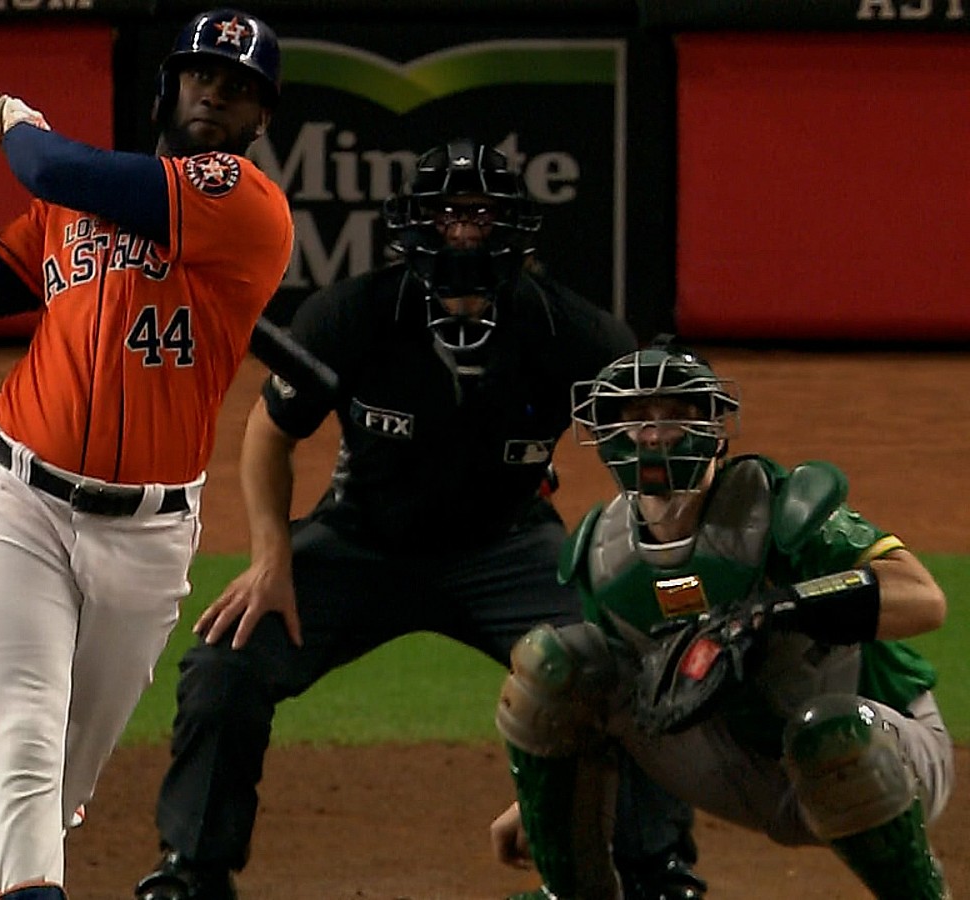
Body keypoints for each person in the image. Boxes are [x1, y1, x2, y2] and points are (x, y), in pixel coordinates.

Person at [134, 139, 706, 900]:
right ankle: (193, 872)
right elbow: (270, 432)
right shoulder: (350, 314)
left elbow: (644, 456)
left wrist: (652, 568)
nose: (464, 231)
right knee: (227, 659)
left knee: (639, 660)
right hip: (361, 541)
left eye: (481, 215)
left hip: (509, 546)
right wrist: (271, 563)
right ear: (414, 225)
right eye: (447, 214)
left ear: (516, 227)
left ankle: (656, 870)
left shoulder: (576, 333)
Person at [0, 9, 294, 900]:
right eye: (202, 76)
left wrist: (16, 123)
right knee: (24, 761)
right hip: (17, 505)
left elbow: (50, 164)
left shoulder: (244, 205)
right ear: (170, 87)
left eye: (238, 88)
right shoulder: (75, 205)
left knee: (54, 799)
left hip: (149, 539)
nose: (215, 95)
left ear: (261, 121)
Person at [490, 339, 953, 899]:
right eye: (637, 417)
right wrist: (539, 802)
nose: (656, 434)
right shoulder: (603, 554)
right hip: (739, 765)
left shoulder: (780, 507)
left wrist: (785, 605)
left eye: (677, 415)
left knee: (830, 733)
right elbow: (613, 701)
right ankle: (575, 894)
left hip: (885, 757)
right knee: (553, 667)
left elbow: (924, 598)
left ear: (713, 424)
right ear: (608, 433)